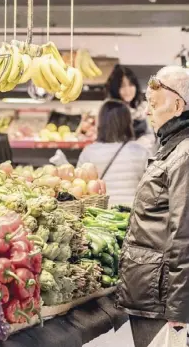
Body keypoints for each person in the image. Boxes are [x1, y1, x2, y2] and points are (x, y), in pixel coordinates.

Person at [116, 65, 189, 347]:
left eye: (154, 104)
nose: (147, 111)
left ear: (178, 105)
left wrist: (180, 310)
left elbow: (183, 234)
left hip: (161, 300)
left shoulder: (183, 154)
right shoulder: (172, 148)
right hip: (152, 292)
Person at [77, 100, 150, 205]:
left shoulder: (89, 152)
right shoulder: (142, 152)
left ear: (101, 123)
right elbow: (150, 189)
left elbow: (80, 187)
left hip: (100, 215)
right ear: (128, 122)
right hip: (132, 213)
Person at [106, 65, 156, 152]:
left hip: (144, 158)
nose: (128, 90)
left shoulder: (143, 108)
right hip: (123, 160)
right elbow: (110, 143)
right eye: (122, 86)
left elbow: (151, 135)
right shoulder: (110, 112)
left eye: (131, 84)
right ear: (115, 89)